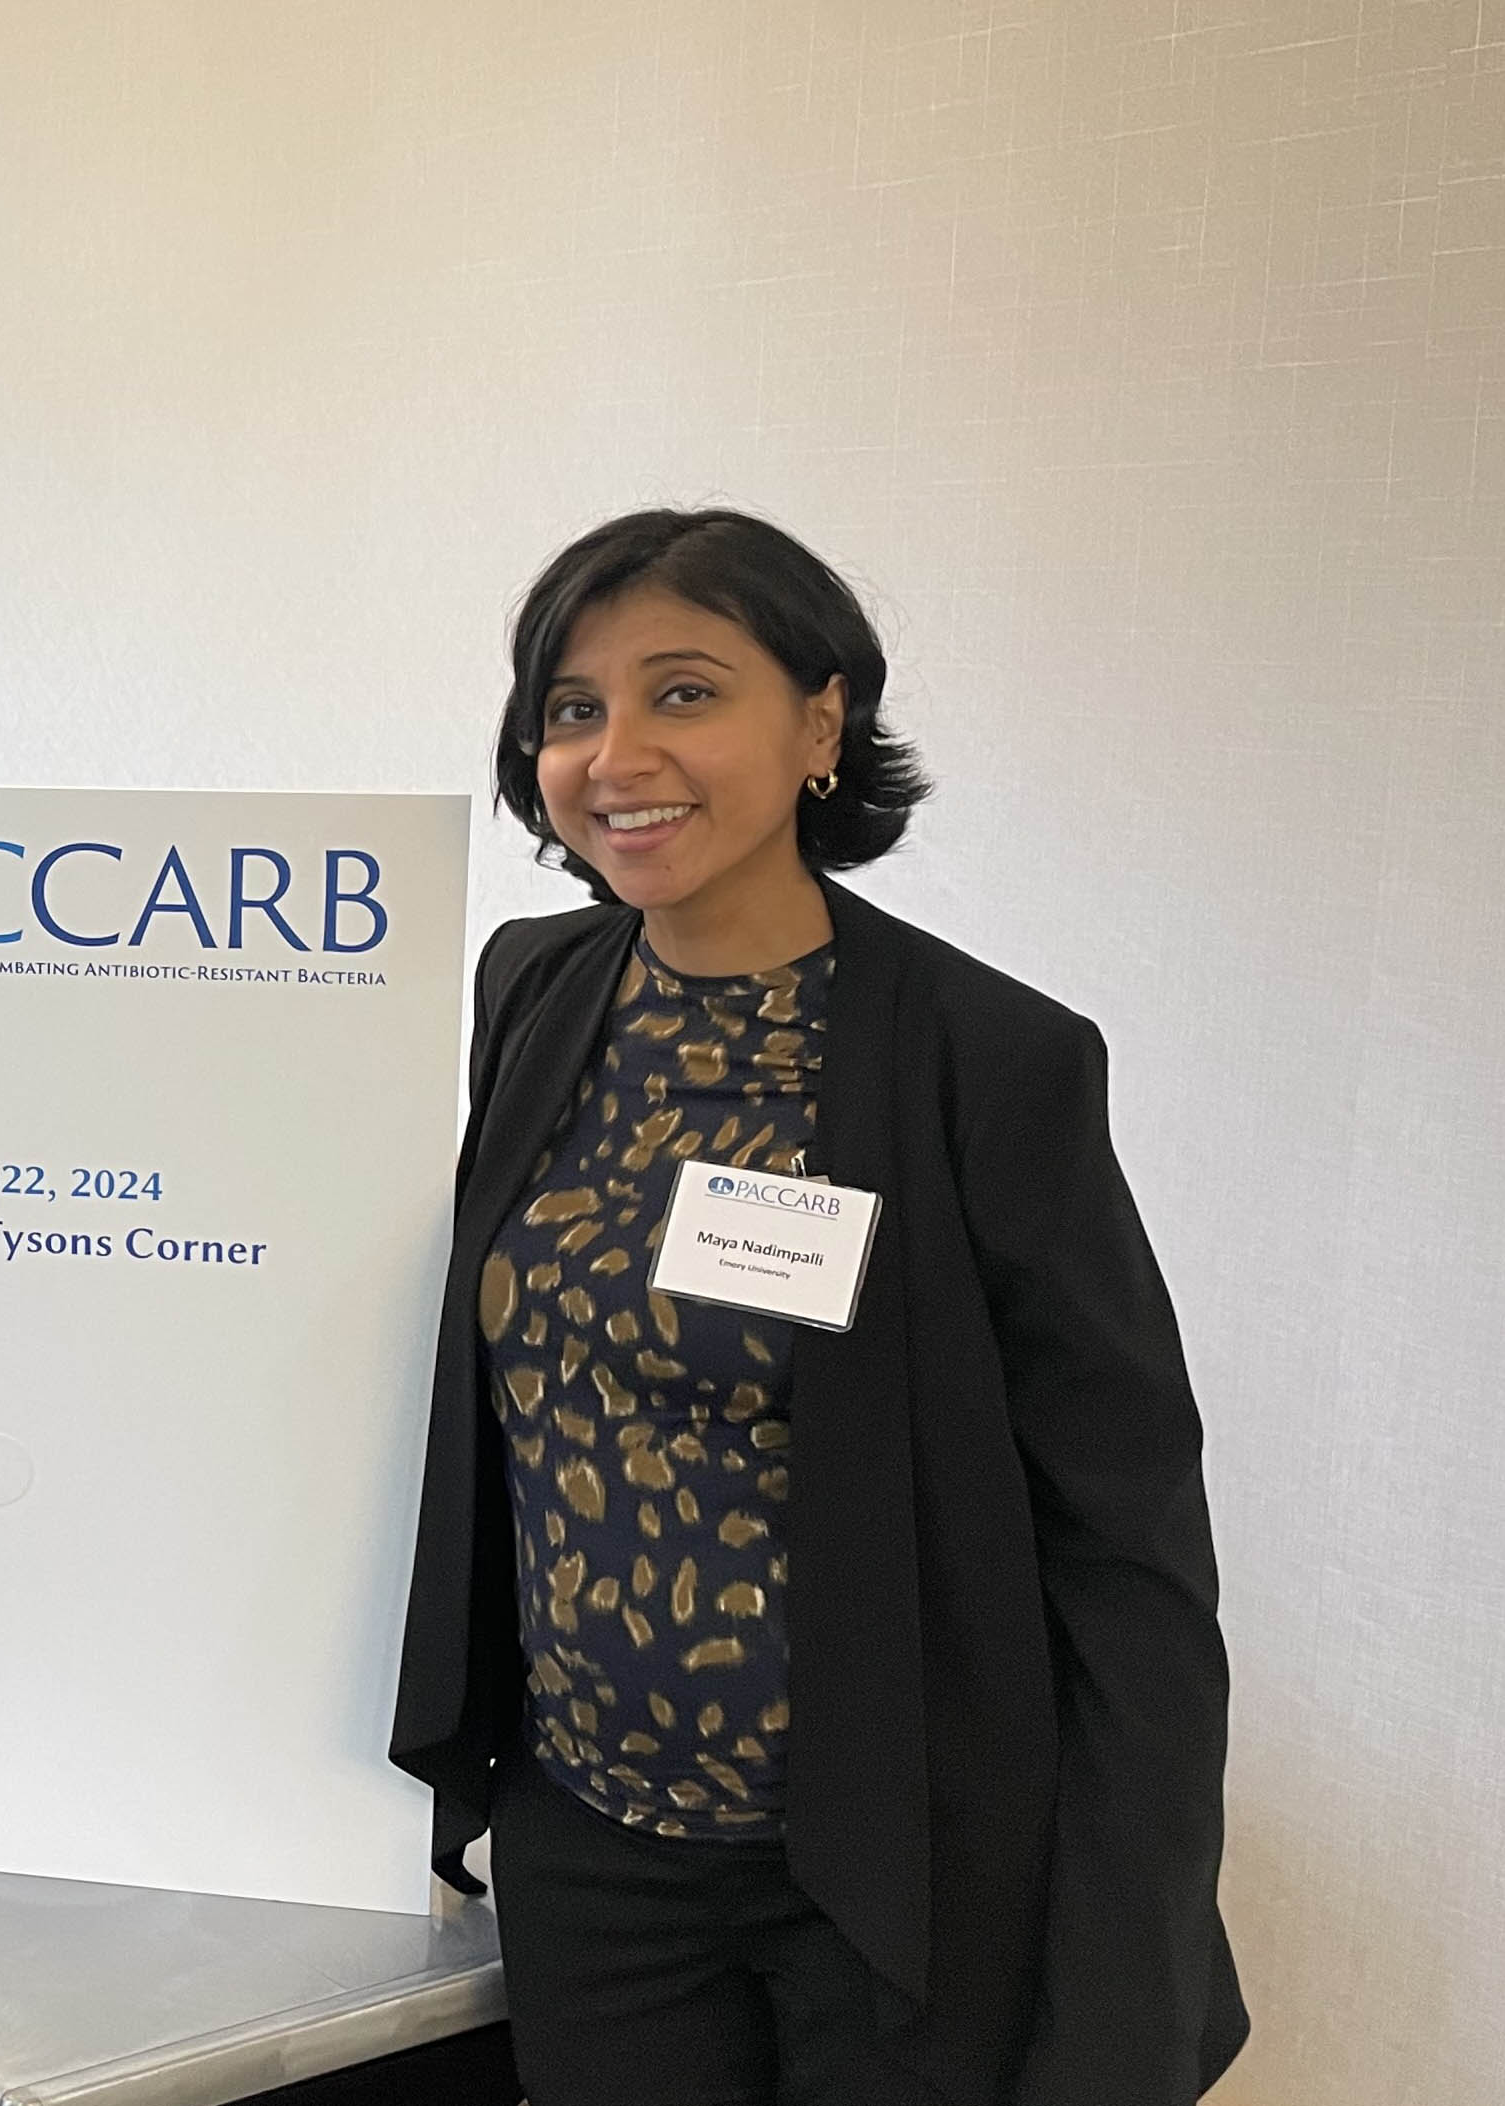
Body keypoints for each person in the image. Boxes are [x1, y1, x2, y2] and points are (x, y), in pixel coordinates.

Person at [387, 510, 1248, 2105]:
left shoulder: (990, 1064)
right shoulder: (536, 988)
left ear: (822, 722)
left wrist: (1128, 1989)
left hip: (883, 1879)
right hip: (594, 1853)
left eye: (686, 691)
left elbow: (1129, 1559)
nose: (617, 751)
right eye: (571, 706)